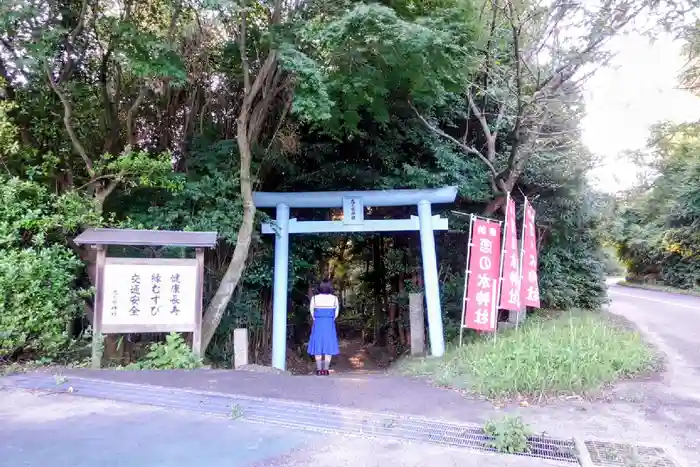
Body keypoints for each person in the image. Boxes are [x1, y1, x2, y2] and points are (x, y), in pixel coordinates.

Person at [307, 279, 340, 375]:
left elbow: (312, 312)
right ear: (330, 287)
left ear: (320, 287)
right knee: (328, 346)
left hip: (318, 323)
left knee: (318, 345)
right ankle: (325, 370)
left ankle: (318, 370)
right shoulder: (334, 299)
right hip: (329, 324)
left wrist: (317, 318)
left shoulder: (314, 298)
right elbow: (336, 313)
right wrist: (330, 318)